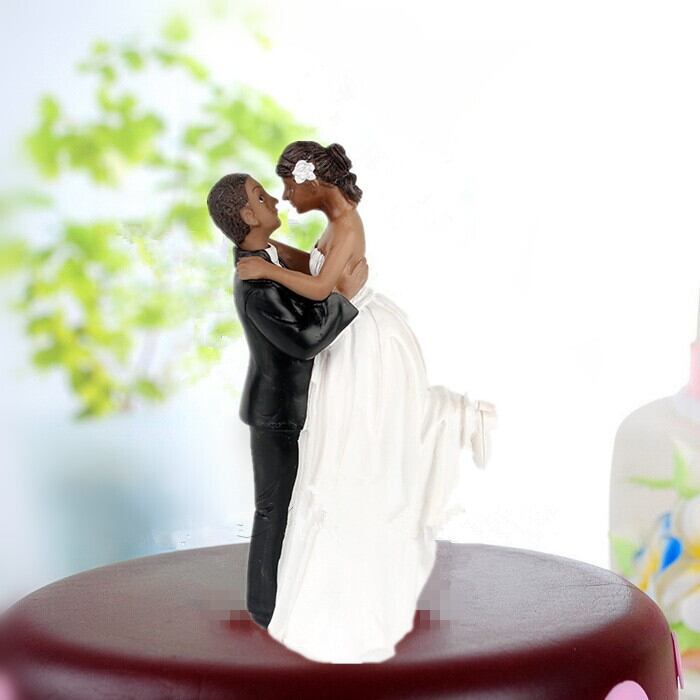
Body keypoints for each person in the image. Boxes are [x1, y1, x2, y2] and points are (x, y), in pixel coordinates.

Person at [236, 141, 497, 663]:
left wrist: (269, 271)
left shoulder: (349, 224)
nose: (286, 197)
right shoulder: (334, 223)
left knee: (361, 437)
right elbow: (314, 263)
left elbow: (321, 289)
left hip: (360, 338)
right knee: (339, 444)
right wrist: (270, 254)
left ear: (313, 182)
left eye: (288, 186)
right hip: (343, 334)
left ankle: (461, 418)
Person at [206, 173, 368, 628]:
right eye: (262, 197)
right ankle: (265, 609)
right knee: (274, 509)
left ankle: (297, 592)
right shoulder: (257, 286)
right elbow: (305, 340)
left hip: (293, 407)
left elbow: (304, 288)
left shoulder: (267, 260)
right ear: (247, 215)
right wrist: (345, 296)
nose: (274, 199)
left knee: (297, 506)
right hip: (277, 413)